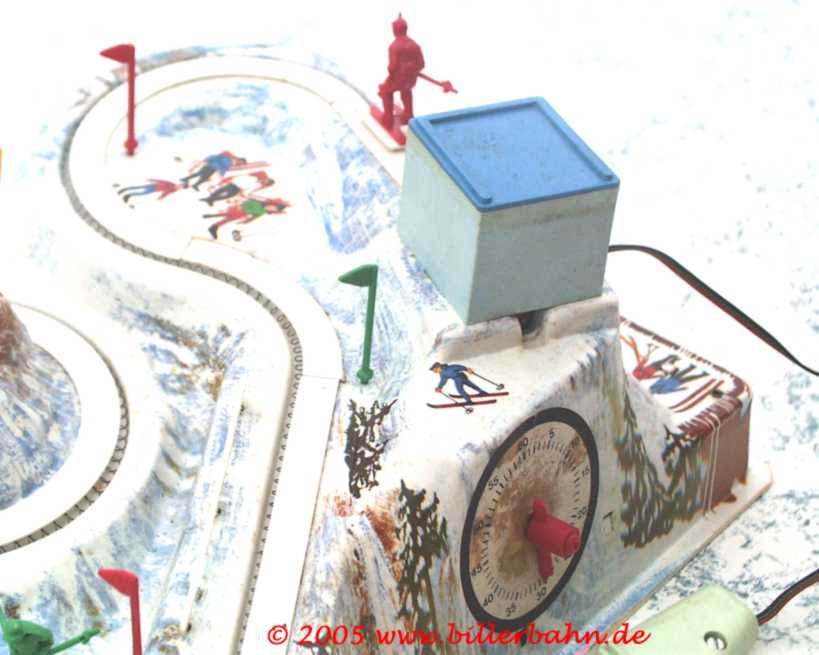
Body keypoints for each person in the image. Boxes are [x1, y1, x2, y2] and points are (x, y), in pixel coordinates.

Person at [378, 14, 425, 129]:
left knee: (385, 91)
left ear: (395, 30)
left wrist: (391, 76)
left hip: (398, 79)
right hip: (411, 80)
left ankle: (388, 119)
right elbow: (422, 64)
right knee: (406, 90)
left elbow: (392, 67)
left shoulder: (394, 46)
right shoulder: (415, 45)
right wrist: (412, 70)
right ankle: (409, 115)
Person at [181, 151, 247, 190]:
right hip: (210, 166)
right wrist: (207, 160)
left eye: (241, 164)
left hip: (213, 169)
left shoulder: (231, 164)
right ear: (239, 160)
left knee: (204, 178)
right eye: (241, 162)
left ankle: (195, 185)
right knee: (199, 173)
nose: (239, 164)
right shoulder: (228, 158)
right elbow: (217, 159)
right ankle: (185, 179)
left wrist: (222, 174)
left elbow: (224, 168)